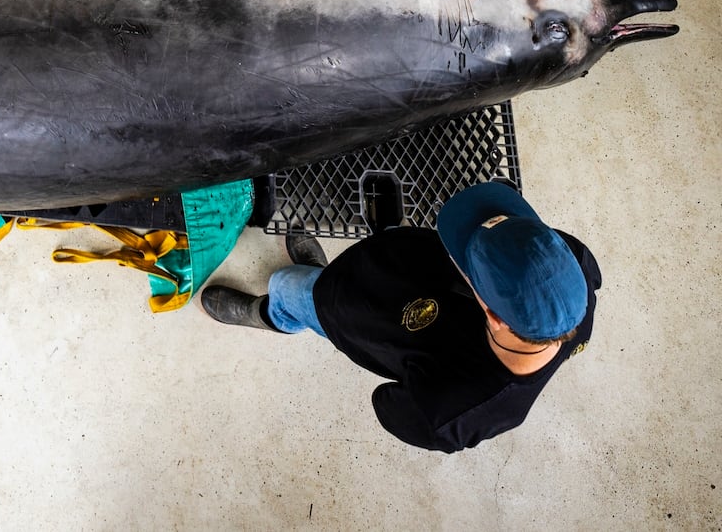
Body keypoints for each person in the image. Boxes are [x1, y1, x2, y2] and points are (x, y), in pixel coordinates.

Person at [199, 181, 599, 452]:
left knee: (288, 284)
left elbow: (388, 404)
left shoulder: (454, 411)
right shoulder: (571, 269)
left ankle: (272, 313)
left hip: (354, 313)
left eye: (468, 261)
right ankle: (320, 278)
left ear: (494, 316)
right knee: (322, 276)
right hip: (391, 262)